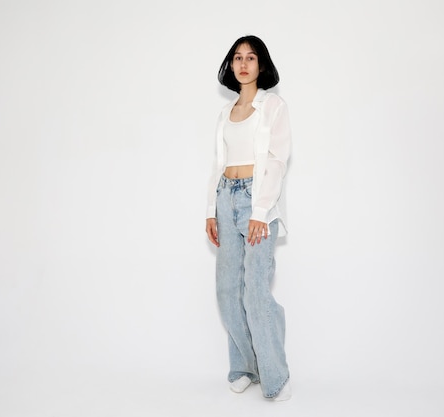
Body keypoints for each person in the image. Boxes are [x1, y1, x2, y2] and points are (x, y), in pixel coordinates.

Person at [205, 35, 292, 401]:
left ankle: (275, 376)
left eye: (251, 57)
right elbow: (218, 164)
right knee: (228, 293)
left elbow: (276, 159)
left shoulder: (272, 106)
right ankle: (244, 367)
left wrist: (260, 212)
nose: (243, 64)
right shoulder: (225, 113)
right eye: (237, 57)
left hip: (258, 204)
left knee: (255, 292)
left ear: (261, 65)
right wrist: (211, 209)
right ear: (231, 65)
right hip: (226, 198)